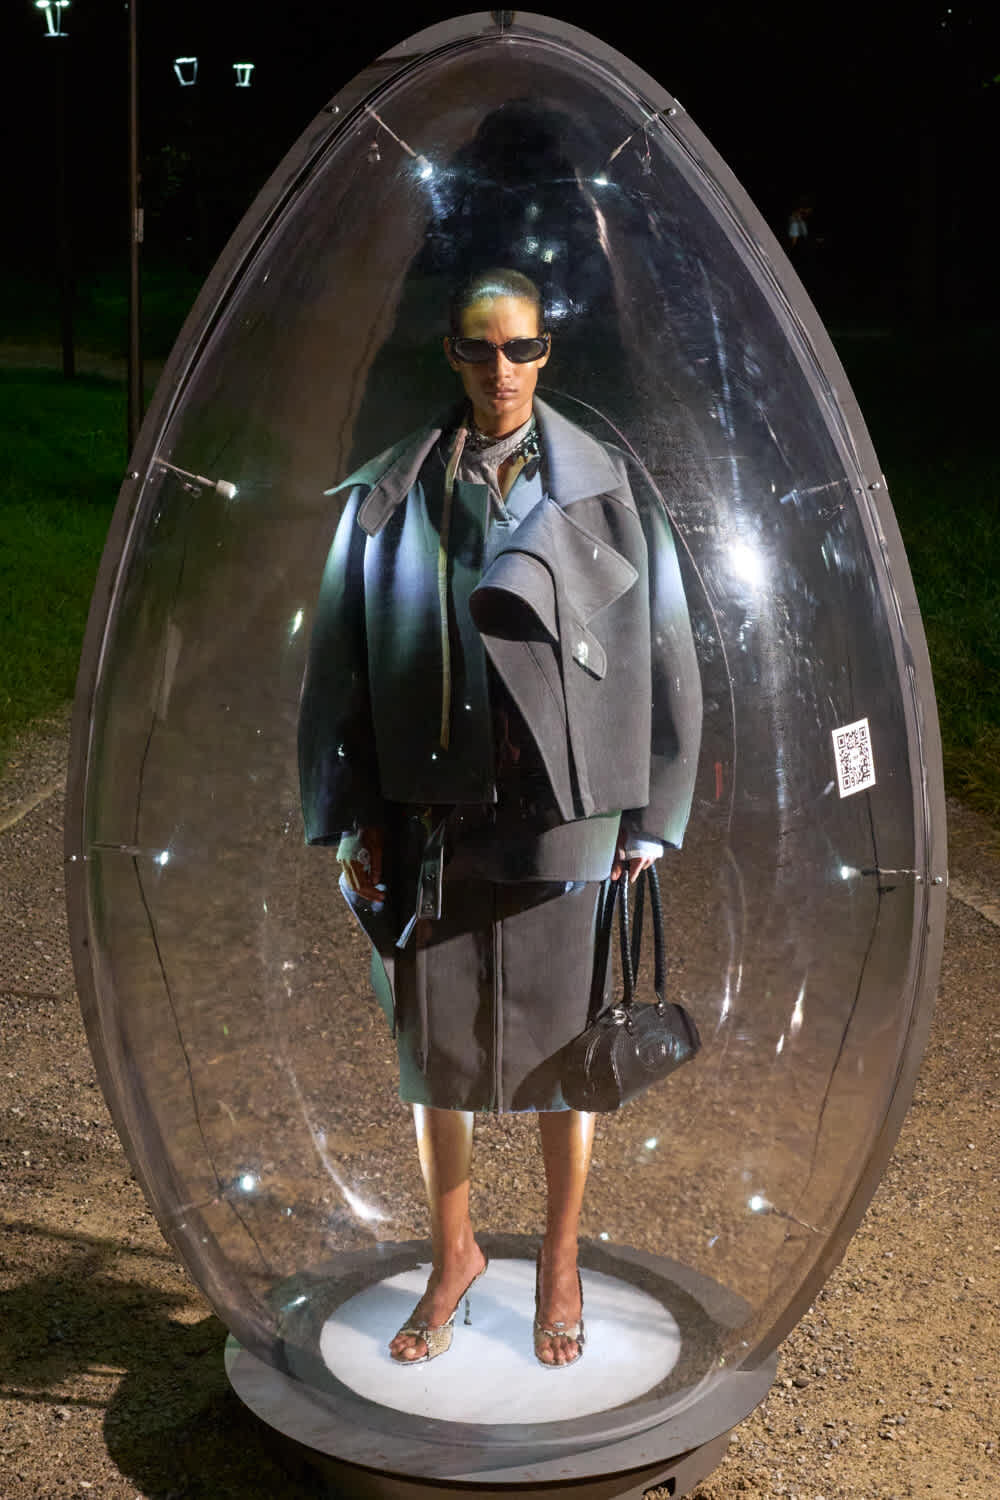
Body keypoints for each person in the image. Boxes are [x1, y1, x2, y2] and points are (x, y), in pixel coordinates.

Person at [298, 268, 701, 1368]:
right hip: (431, 804)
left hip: (563, 805)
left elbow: (667, 647)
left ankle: (562, 1259)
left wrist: (653, 810)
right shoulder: (398, 488)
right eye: (479, 350)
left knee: (569, 1048)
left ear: (546, 350)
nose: (500, 371)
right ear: (450, 353)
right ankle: (455, 1251)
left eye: (519, 348)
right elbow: (339, 660)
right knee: (436, 1049)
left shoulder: (606, 486)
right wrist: (348, 813)